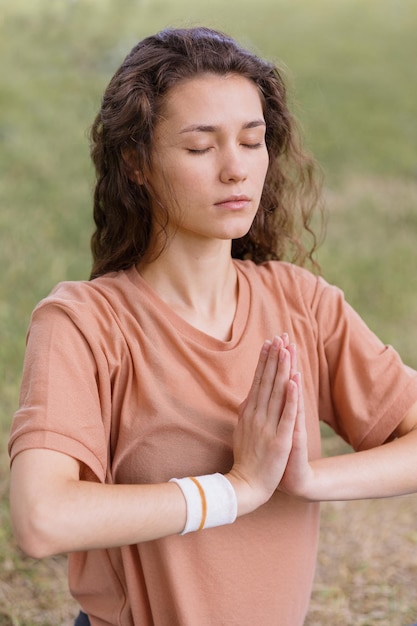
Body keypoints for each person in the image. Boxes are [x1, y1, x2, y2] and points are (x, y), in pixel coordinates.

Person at [8, 26, 417, 626]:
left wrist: (305, 478)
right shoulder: (84, 323)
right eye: (200, 148)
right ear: (136, 161)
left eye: (253, 142)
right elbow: (41, 519)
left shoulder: (301, 302)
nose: (236, 170)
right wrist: (237, 489)